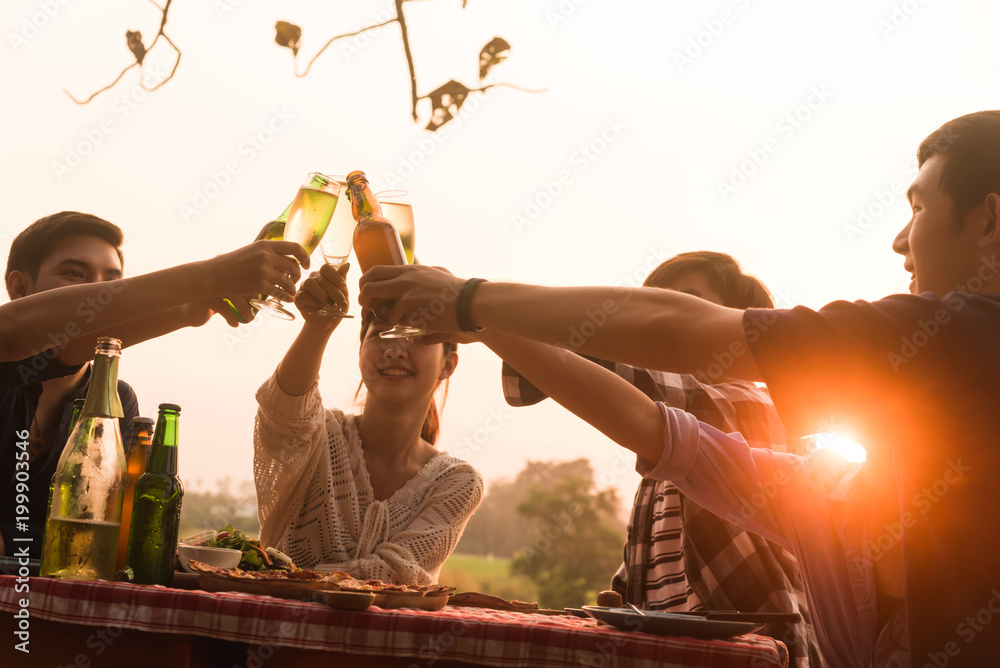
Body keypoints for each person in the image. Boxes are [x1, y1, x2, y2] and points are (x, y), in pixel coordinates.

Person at [358, 110, 1000, 666]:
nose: (899, 239)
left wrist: (471, 301)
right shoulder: (842, 503)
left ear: (989, 220)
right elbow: (659, 432)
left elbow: (680, 338)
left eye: (917, 207)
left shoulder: (961, 336)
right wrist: (476, 316)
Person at [501, 251, 819, 667]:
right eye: (655, 304)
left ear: (735, 322)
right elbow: (644, 570)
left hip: (767, 653)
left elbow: (637, 383)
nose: (659, 322)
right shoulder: (664, 451)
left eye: (685, 304)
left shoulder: (756, 407)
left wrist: (491, 316)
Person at [0, 210, 309, 559]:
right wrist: (210, 276)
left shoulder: (116, 402)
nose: (100, 294)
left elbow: (100, 532)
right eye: (74, 274)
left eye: (112, 283)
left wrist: (190, 309)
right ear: (18, 287)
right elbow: (16, 333)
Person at [253, 263, 483, 584]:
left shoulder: (456, 483)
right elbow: (282, 412)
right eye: (379, 334)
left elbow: (392, 574)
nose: (394, 349)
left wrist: (282, 577)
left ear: (448, 364)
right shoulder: (320, 435)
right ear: (361, 352)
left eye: (416, 335)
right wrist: (317, 327)